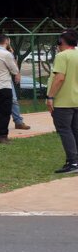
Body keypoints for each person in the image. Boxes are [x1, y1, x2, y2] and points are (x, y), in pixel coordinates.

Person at [0, 28, 31, 130]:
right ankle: (0, 125)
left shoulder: (7, 50)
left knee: (13, 100)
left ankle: (18, 122)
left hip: (5, 80)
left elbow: (13, 64)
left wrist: (17, 74)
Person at [48, 29, 78, 175]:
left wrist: (50, 97)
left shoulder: (62, 56)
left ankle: (73, 162)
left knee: (65, 130)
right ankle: (75, 160)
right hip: (76, 99)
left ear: (61, 42)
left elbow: (59, 78)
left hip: (63, 101)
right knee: (75, 130)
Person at [0, 32, 20, 144]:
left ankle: (0, 133)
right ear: (6, 41)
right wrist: (12, 56)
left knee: (0, 110)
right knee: (5, 112)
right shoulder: (6, 54)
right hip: (4, 85)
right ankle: (2, 135)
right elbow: (14, 70)